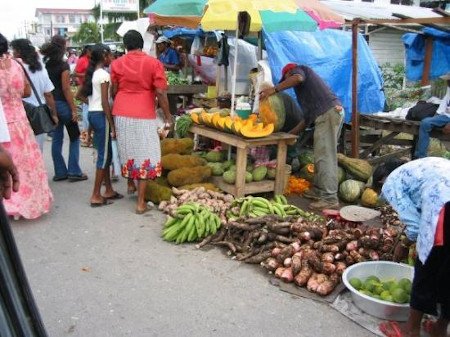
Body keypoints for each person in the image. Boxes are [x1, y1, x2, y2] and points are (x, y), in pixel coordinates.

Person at [373, 157, 450, 337]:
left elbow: (415, 226)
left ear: (380, 181)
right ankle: (440, 328)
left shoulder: (391, 181)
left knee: (427, 266)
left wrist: (404, 244)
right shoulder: (419, 167)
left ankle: (411, 330)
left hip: (445, 208)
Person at [259, 63, 343, 210]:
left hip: (328, 114)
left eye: (285, 79)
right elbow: (306, 120)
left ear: (288, 73)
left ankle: (329, 198)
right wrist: (290, 135)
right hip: (327, 114)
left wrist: (274, 89)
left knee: (326, 156)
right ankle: (319, 191)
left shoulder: (299, 70)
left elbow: (297, 78)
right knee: (320, 155)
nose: (287, 84)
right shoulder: (306, 92)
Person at [110, 30, 172, 214]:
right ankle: (140, 202)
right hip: (144, 113)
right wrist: (168, 117)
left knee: (128, 149)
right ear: (142, 44)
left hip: (121, 112)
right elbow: (160, 92)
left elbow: (114, 90)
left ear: (125, 46)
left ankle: (130, 184)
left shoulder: (116, 63)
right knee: (145, 154)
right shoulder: (154, 63)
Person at [0, 33, 53, 219]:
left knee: (8, 163)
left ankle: (10, 205)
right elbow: (26, 91)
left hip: (3, 123)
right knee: (27, 163)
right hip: (21, 121)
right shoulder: (16, 65)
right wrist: (12, 94)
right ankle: (30, 202)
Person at [78, 44, 122, 207]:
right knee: (104, 157)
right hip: (101, 116)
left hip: (93, 114)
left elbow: (80, 95)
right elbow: (105, 101)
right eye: (110, 55)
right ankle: (96, 194)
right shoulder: (103, 75)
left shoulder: (93, 74)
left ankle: (108, 189)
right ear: (104, 56)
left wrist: (91, 105)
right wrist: (111, 123)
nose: (112, 58)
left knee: (107, 154)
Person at [40, 35, 87, 182]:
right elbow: (66, 89)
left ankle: (60, 172)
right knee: (74, 137)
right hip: (63, 104)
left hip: (50, 105)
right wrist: (73, 109)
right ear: (63, 47)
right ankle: (74, 171)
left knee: (57, 139)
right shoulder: (63, 66)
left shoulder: (44, 65)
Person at [10, 38, 58, 152]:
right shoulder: (40, 69)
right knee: (37, 149)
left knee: (20, 150)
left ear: (18, 52)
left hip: (19, 113)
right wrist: (54, 114)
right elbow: (49, 95)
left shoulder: (14, 68)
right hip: (37, 112)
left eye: (13, 50)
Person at [414, 73, 450, 159]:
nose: (448, 82)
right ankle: (421, 155)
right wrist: (435, 117)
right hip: (445, 116)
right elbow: (444, 103)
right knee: (425, 122)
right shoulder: (449, 90)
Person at [74, 45, 92, 147]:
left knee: (87, 110)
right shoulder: (82, 60)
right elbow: (75, 73)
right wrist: (86, 75)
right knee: (86, 111)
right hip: (84, 85)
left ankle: (87, 136)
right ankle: (85, 135)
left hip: (88, 85)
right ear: (87, 51)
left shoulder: (89, 60)